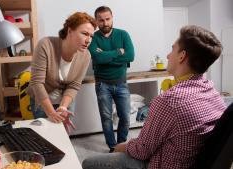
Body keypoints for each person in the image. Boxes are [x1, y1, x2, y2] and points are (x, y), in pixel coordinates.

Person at [82, 25, 226, 169]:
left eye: (172, 49)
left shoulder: (169, 101)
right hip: (190, 161)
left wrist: (121, 147)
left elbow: (142, 150)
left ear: (182, 56)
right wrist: (117, 53)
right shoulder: (213, 92)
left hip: (163, 164)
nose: (168, 56)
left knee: (88, 163)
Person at [26, 12, 97, 132]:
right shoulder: (46, 45)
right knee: (45, 138)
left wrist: (63, 107)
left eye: (91, 36)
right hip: (42, 100)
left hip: (65, 101)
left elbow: (74, 85)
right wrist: (51, 112)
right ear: (70, 31)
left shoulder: (86, 56)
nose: (88, 40)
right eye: (84, 34)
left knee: (64, 138)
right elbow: (37, 82)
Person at [88, 6, 134, 152]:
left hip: (121, 83)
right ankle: (113, 147)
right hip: (102, 84)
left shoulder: (123, 35)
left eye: (108, 19)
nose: (105, 23)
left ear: (112, 17)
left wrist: (105, 56)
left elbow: (130, 56)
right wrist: (117, 53)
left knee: (125, 117)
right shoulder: (92, 37)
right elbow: (96, 57)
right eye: (101, 20)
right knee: (106, 118)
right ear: (96, 21)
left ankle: (121, 144)